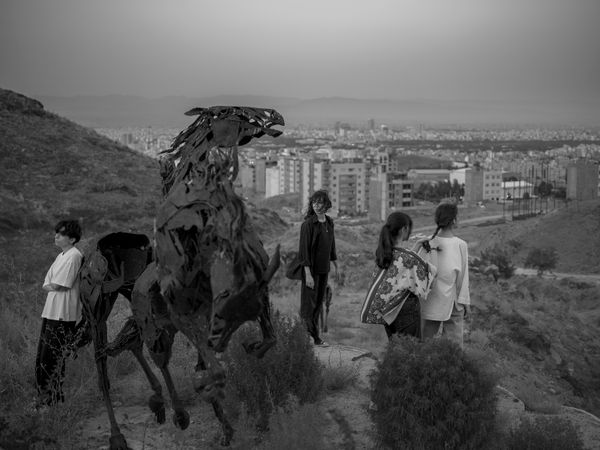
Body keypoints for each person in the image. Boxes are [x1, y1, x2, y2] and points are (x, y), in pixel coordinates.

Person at [360, 212, 435, 340]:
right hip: (407, 311)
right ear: (404, 229)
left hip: (388, 311)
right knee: (411, 348)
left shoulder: (383, 254)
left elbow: (402, 267)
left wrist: (416, 247)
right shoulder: (407, 257)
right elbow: (427, 281)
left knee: (395, 347)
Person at [35, 220, 83, 407]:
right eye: (56, 232)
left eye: (61, 234)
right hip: (51, 311)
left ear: (72, 239)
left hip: (63, 314)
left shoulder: (74, 256)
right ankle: (44, 399)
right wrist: (52, 285)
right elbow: (46, 283)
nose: (56, 236)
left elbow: (60, 285)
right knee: (42, 356)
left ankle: (51, 401)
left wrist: (52, 285)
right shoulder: (60, 256)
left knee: (52, 358)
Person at [419, 203, 471, 348]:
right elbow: (463, 278)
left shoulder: (426, 243)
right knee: (453, 348)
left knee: (425, 345)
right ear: (454, 220)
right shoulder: (460, 244)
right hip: (453, 302)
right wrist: (465, 303)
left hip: (429, 301)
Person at [298, 190, 338, 346]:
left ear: (326, 204)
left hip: (323, 270)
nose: (316, 205)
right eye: (314, 202)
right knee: (308, 306)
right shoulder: (308, 225)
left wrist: (335, 265)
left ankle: (314, 337)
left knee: (318, 304)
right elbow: (304, 252)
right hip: (311, 271)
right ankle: (308, 338)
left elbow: (331, 245)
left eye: (320, 202)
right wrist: (307, 274)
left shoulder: (329, 222)